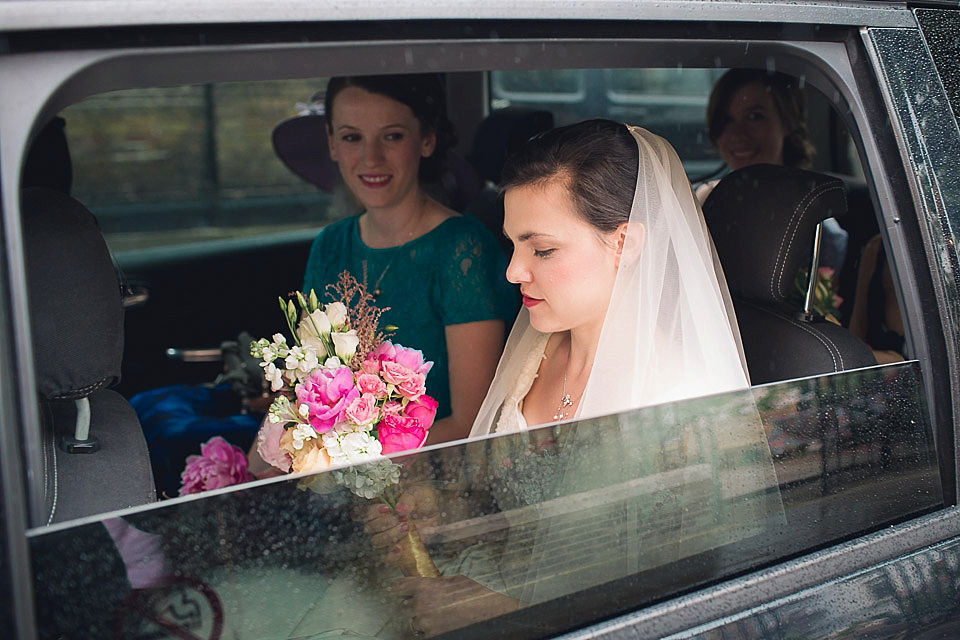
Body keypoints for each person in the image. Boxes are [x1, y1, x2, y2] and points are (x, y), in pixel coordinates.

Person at [364, 120, 780, 636]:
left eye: (541, 250)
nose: (514, 271)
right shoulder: (537, 348)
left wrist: (505, 616)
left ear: (624, 242)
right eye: (513, 244)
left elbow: (695, 616)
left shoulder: (688, 405)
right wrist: (440, 517)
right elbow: (509, 508)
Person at [299, 74, 517, 446]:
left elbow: (470, 422)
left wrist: (355, 463)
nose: (371, 158)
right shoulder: (330, 245)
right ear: (332, 143)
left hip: (435, 475)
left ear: (426, 140)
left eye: (392, 136)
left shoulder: (461, 249)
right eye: (352, 137)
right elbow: (304, 389)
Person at [697, 68, 848, 277]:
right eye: (727, 119)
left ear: (787, 121)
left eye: (754, 117)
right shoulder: (696, 203)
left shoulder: (818, 230)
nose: (737, 134)